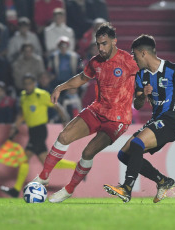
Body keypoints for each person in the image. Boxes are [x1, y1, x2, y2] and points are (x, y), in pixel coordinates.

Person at [31, 23, 138, 203]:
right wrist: (61, 87)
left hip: (118, 119)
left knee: (87, 153)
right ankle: (43, 176)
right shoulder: (95, 61)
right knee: (64, 136)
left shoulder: (128, 61)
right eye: (98, 44)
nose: (101, 48)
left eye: (104, 43)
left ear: (114, 42)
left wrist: (148, 93)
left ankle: (69, 189)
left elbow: (148, 73)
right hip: (97, 110)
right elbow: (82, 77)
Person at [103, 34, 175, 203]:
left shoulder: (173, 70)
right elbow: (138, 104)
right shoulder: (141, 75)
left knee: (137, 143)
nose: (133, 59)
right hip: (156, 121)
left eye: (134, 55)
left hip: (172, 121)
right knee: (124, 155)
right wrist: (143, 96)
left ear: (143, 53)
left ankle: (126, 188)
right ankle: (163, 181)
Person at [0, 73, 73, 198]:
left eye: (30, 83)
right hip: (32, 131)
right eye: (25, 83)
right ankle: (76, 166)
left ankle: (16, 189)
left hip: (40, 130)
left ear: (34, 83)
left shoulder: (41, 94)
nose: (27, 86)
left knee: (24, 158)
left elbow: (57, 106)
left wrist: (64, 119)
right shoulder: (23, 96)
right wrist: (15, 126)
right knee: (47, 162)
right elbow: (22, 113)